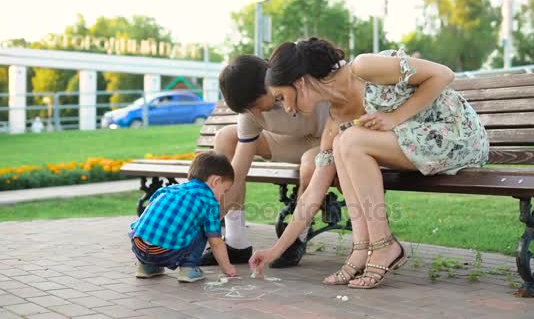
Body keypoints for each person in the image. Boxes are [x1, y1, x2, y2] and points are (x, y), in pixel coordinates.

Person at [251, 37, 489, 289]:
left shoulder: (362, 69)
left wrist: (395, 117)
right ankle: (361, 248)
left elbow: (443, 74)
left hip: (456, 134)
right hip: (418, 145)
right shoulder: (334, 118)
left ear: (299, 81)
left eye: (281, 97)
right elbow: (313, 193)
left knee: (350, 140)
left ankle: (384, 245)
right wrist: (276, 249)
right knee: (344, 142)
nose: (286, 108)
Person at [199, 54, 331, 268]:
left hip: (326, 139)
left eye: (253, 104)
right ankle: (235, 243)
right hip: (289, 142)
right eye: (246, 109)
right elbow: (237, 174)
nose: (253, 112)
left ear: (268, 82)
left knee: (310, 162)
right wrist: (206, 223)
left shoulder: (299, 85)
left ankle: (296, 239)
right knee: (225, 136)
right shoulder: (250, 112)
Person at [129, 151, 236, 283]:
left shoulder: (168, 189)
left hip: (138, 246)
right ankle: (189, 268)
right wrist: (227, 268)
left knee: (159, 227)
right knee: (205, 228)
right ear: (216, 181)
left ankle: (146, 267)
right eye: (224, 191)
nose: (222, 196)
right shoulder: (209, 202)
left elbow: (151, 213)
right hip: (166, 252)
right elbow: (215, 242)